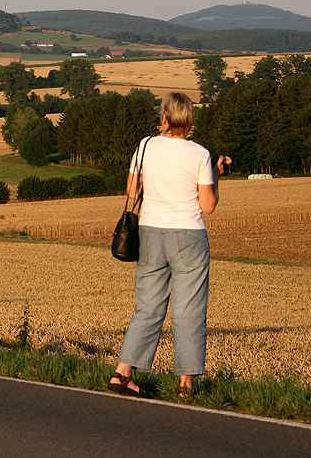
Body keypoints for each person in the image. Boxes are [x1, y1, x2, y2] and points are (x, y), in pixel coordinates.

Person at [108, 91, 231, 399]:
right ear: (189, 121)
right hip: (188, 235)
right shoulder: (200, 155)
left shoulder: (145, 146)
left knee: (147, 307)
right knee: (189, 311)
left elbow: (132, 189)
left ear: (163, 118)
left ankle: (123, 373)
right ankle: (185, 385)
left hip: (150, 231)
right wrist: (215, 174)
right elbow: (209, 205)